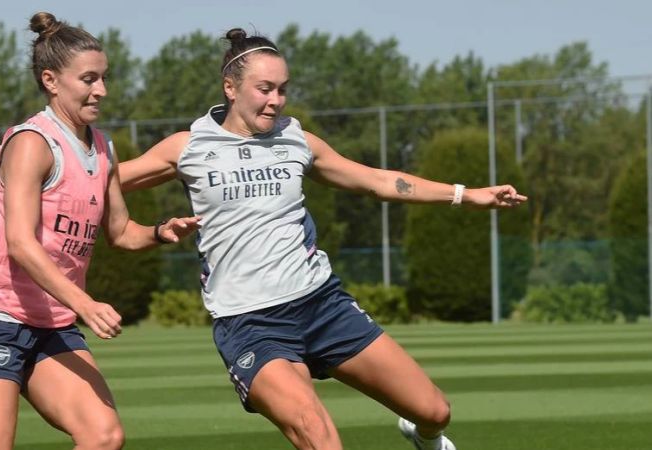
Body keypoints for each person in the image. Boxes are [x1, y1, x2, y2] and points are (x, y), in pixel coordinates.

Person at [115, 29, 527, 450]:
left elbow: (378, 181)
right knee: (320, 438)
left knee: (435, 411)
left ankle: (423, 436)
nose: (276, 100)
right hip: (252, 323)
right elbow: (97, 182)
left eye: (282, 90)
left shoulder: (295, 138)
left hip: (321, 305)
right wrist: (132, 227)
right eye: (264, 89)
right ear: (230, 87)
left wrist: (465, 194)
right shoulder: (188, 146)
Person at [0, 12, 199, 450]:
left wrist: (161, 231)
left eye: (105, 78)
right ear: (51, 80)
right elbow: (19, 244)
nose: (102, 90)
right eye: (89, 79)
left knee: (104, 436)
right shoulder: (32, 143)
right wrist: (85, 304)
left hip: (53, 323)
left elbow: (121, 231)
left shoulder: (104, 145)